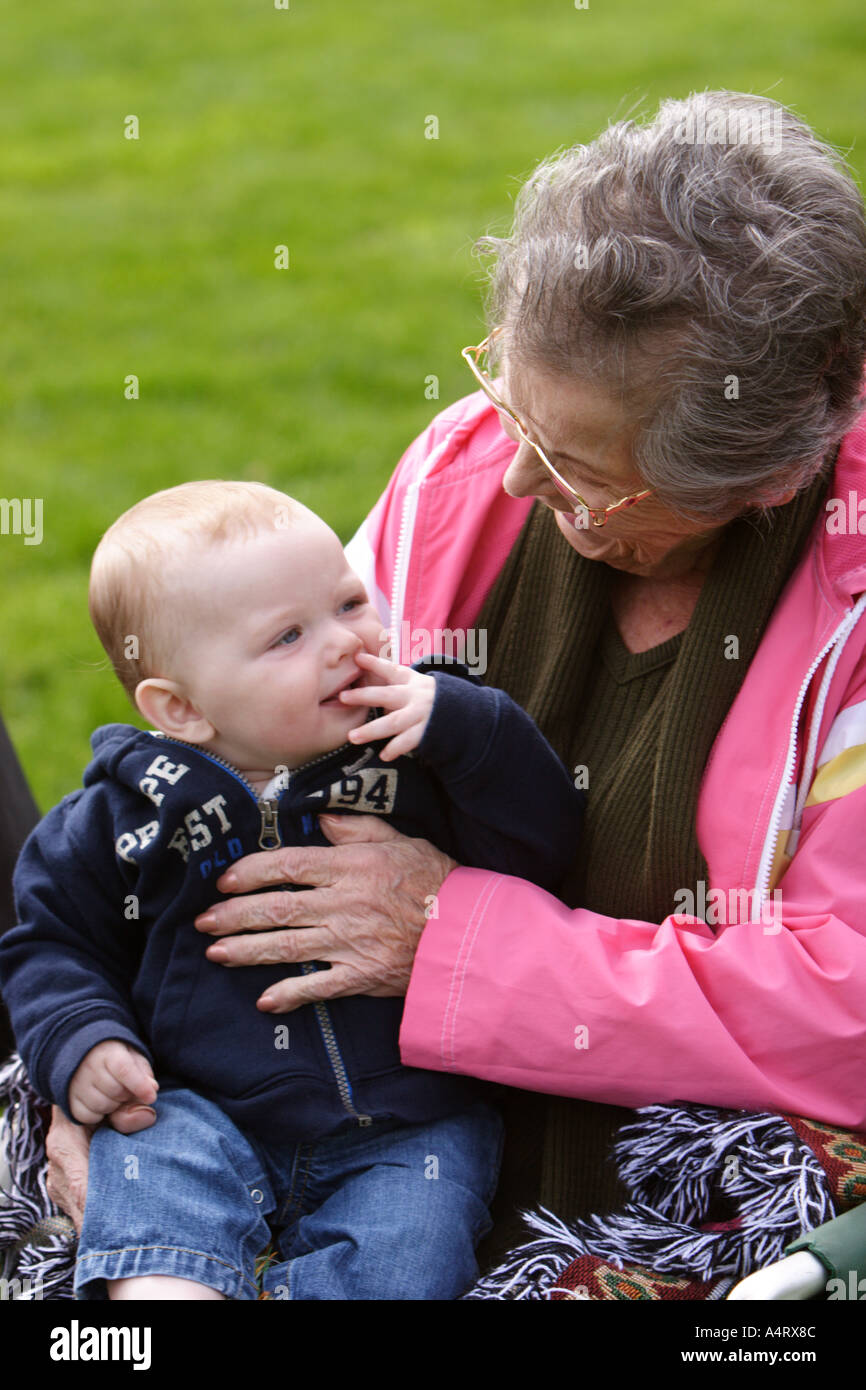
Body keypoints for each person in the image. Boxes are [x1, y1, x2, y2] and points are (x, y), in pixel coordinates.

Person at [38, 88, 866, 1280]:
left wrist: (454, 945)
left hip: (678, 1170)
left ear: (762, 480)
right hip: (293, 1097)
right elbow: (235, 787)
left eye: (578, 465)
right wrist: (91, 1066)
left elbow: (842, 1010)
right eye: (504, 395)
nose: (511, 473)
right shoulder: (467, 470)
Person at [0, 480, 586, 1300]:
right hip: (200, 1102)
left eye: (349, 601)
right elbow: (52, 940)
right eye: (287, 636)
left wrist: (467, 726)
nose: (345, 642)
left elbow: (542, 845)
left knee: (411, 1246)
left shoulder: (415, 756)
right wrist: (83, 1040)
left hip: (408, 1119)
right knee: (151, 1182)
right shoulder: (124, 815)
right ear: (182, 707)